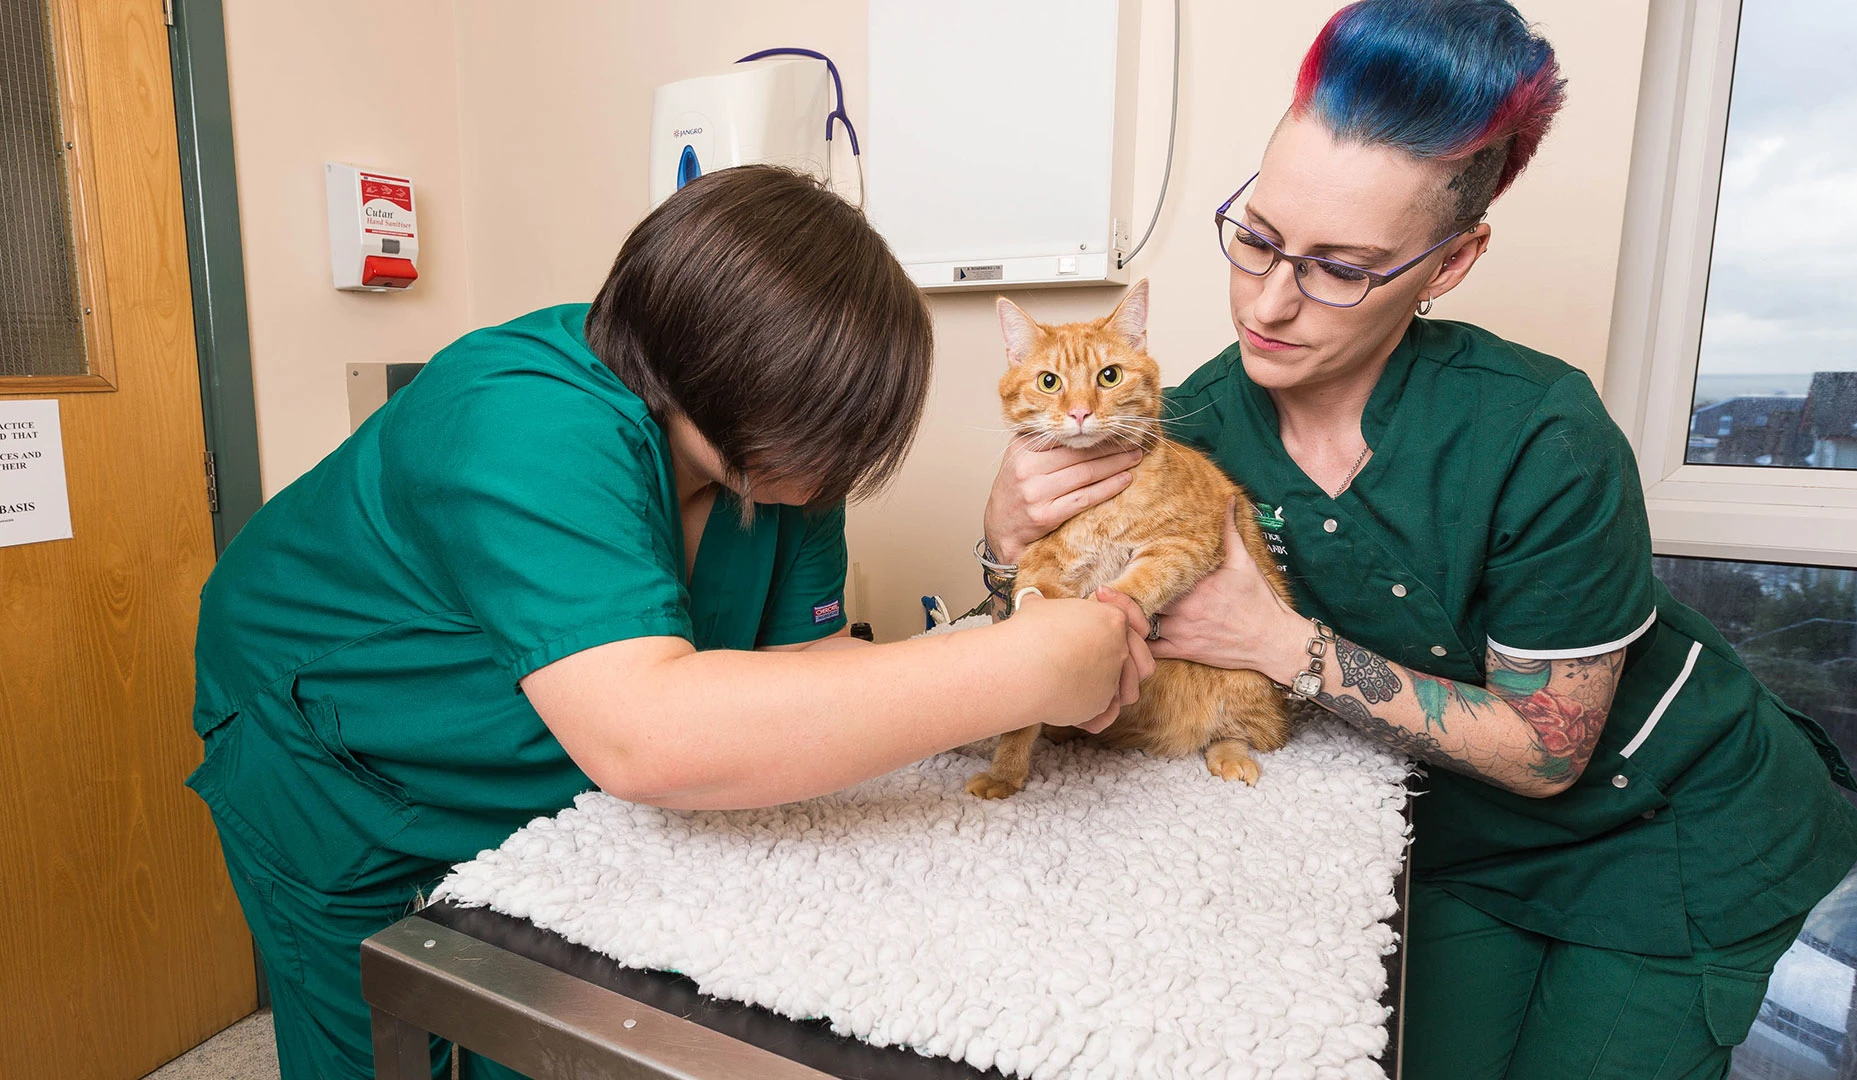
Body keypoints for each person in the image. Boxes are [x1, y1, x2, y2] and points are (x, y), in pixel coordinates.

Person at [981, 3, 1857, 1076]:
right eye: (1256, 236)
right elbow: (1045, 616)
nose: (1267, 300)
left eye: (1339, 267)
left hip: (1673, 825)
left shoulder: (1546, 432)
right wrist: (1004, 532)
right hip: (1442, 828)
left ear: (1450, 263)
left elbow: (1547, 750)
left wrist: (1280, 645)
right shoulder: (1191, 425)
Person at [188, 165, 1152, 1080]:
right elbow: (649, 733)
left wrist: (1004, 670)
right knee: (373, 1035)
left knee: (519, 1024)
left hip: (540, 755)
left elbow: (806, 669)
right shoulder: (522, 418)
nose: (844, 462)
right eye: (831, 422)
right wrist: (1020, 667)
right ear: (733, 368)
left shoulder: (786, 472)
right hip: (323, 748)